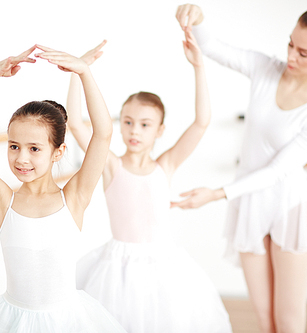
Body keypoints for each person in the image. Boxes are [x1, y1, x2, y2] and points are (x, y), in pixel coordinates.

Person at [172, 4, 307, 333]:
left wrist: (216, 194)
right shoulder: (266, 69)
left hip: (289, 208)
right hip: (251, 205)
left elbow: (279, 169)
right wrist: (198, 17)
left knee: (289, 321)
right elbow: (211, 47)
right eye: (290, 44)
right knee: (265, 320)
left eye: (304, 53)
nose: (292, 56)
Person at [66, 31, 232, 332]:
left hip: (163, 266)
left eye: (145, 125)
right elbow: (75, 123)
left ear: (160, 130)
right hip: (117, 268)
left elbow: (201, 122)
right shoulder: (110, 164)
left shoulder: (165, 165)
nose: (134, 131)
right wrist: (78, 71)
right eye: (127, 122)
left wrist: (198, 66)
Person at [0, 44, 126, 332]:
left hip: (68, 321)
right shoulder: (1, 201)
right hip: (13, 321)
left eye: (34, 148)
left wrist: (84, 72)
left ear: (58, 152)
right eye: (14, 146)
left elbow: (103, 133)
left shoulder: (74, 197)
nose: (21, 158)